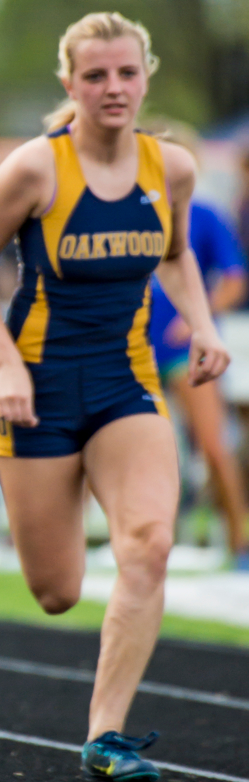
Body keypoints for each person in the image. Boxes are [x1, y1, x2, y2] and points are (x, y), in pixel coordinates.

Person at [0, 12, 229, 782]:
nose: (114, 88)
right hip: (33, 391)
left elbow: (175, 255)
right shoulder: (37, 169)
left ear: (147, 76)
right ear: (70, 84)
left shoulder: (168, 167)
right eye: (97, 75)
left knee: (150, 543)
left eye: (127, 73)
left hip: (126, 380)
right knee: (56, 591)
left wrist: (203, 326)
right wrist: (4, 364)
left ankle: (105, 736)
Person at [150, 199, 249, 564]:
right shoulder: (126, 206)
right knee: (138, 452)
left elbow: (234, 281)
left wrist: (197, 319)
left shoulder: (204, 215)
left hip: (184, 348)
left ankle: (240, 544)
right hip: (134, 345)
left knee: (213, 446)